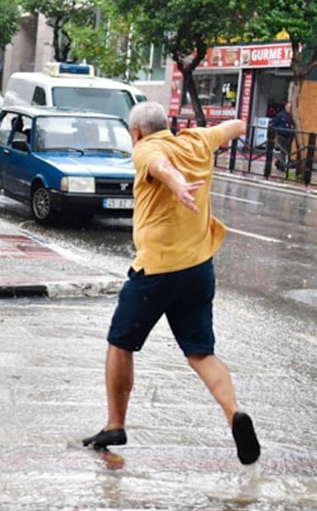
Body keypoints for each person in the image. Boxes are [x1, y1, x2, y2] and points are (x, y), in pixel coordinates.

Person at [81, 102, 261, 466]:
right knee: (200, 353)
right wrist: (240, 124)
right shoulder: (197, 141)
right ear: (168, 124)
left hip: (156, 271)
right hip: (198, 269)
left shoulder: (147, 149)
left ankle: (115, 424)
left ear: (136, 132)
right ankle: (235, 414)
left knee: (120, 343)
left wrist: (178, 183)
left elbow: (160, 168)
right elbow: (237, 125)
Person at [270, 102, 294, 171]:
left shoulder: (290, 117)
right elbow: (274, 123)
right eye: (289, 107)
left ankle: (278, 163)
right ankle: (282, 166)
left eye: (290, 108)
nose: (290, 109)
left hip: (287, 136)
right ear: (285, 107)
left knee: (285, 151)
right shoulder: (281, 115)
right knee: (283, 151)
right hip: (281, 135)